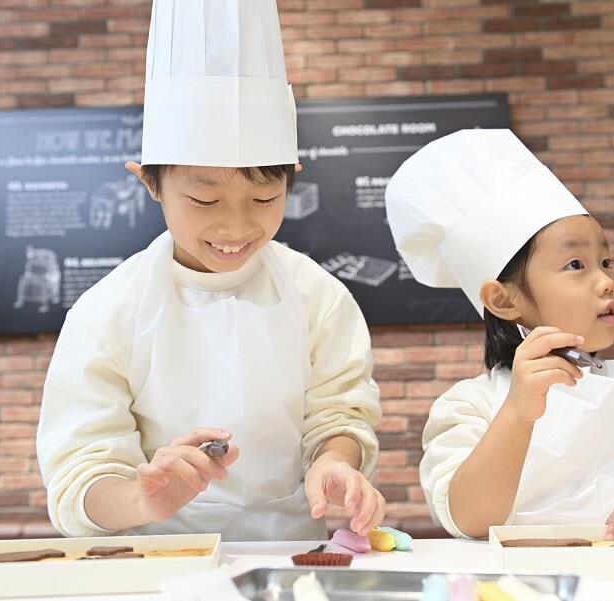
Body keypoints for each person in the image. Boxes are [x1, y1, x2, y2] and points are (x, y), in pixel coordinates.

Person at [37, 0, 384, 541]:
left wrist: (335, 461)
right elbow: (80, 473)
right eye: (203, 200)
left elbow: (339, 416)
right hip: (156, 562)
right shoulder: (108, 310)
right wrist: (141, 497)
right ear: (149, 182)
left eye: (265, 197)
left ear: (292, 179)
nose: (236, 227)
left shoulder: (318, 295)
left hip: (292, 553)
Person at [385, 129, 614, 540]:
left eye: (605, 262)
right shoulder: (471, 405)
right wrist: (518, 411)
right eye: (576, 264)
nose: (606, 282)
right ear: (502, 300)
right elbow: (467, 517)